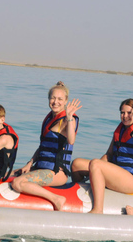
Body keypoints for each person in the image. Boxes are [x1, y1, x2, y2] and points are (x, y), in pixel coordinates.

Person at [71, 97, 133, 214]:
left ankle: (98, 209)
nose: (125, 116)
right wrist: (93, 170)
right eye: (122, 112)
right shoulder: (120, 130)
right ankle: (80, 196)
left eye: (129, 113)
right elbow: (109, 155)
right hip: (118, 174)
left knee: (96, 164)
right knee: (77, 164)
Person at [11, 81, 82, 211]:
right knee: (8, 174)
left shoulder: (68, 120)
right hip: (40, 167)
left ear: (66, 101)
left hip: (56, 172)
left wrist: (70, 117)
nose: (56, 102)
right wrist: (29, 164)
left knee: (18, 182)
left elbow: (71, 140)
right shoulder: (50, 118)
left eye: (60, 99)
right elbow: (43, 147)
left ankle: (57, 199)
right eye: (53, 98)